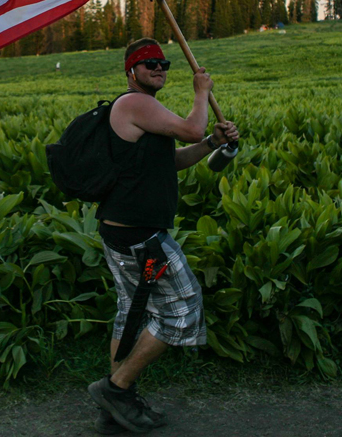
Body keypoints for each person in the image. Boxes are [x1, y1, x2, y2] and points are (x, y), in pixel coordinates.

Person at [88, 37, 240, 434]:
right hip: (142, 239)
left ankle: (116, 406)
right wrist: (202, 93)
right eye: (149, 63)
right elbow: (191, 128)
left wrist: (212, 143)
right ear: (131, 71)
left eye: (164, 62)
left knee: (131, 309)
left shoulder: (145, 111)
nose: (159, 68)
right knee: (182, 309)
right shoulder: (134, 103)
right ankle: (117, 389)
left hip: (125, 232)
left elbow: (172, 161)